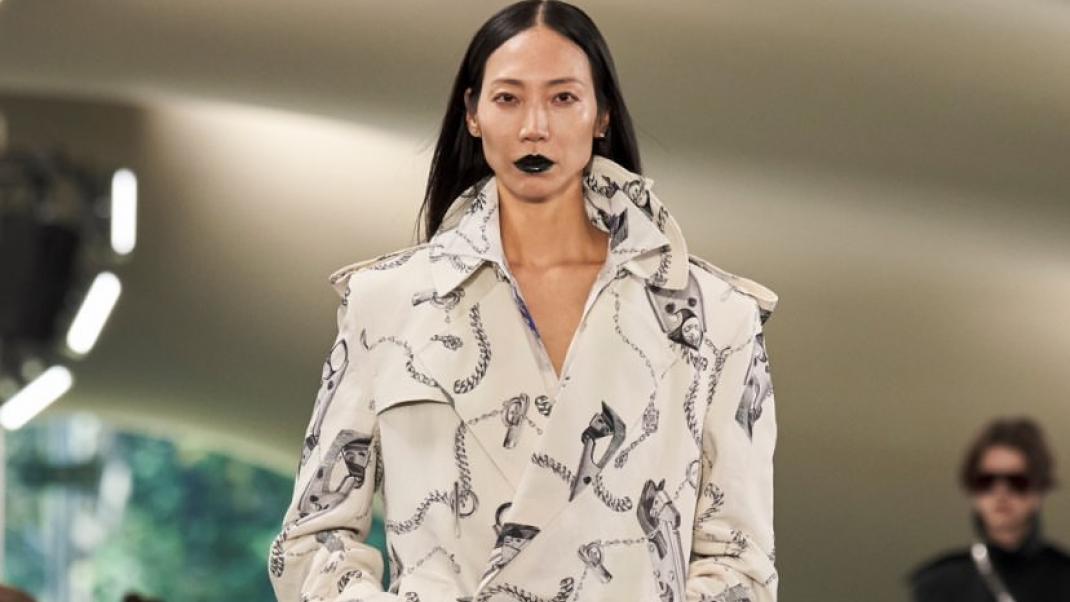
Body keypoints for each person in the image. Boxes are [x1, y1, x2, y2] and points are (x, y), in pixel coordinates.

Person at [267, 1, 779, 600]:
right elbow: (312, 541)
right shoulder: (387, 304)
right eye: (508, 98)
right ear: (473, 113)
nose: (535, 126)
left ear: (602, 114)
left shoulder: (713, 318)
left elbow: (741, 564)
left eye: (563, 98)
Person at [909, 417, 1070, 601]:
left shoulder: (1064, 579)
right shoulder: (938, 584)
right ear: (972, 489)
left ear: (1040, 489)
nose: (1001, 492)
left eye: (1017, 482)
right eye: (986, 481)